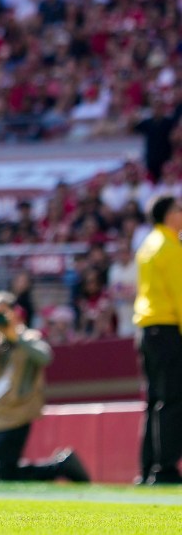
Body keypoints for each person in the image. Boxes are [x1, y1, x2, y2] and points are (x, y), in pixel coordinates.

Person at [0, 291, 88, 483]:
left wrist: (15, 335)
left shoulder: (27, 336)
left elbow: (45, 356)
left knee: (4, 474)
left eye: (3, 312)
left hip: (18, 412)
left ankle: (60, 467)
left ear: (14, 312)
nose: (0, 317)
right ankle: (61, 465)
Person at [137, 193, 182, 485]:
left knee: (155, 400)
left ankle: (148, 467)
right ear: (169, 215)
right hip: (166, 329)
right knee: (173, 400)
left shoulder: (147, 245)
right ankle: (164, 470)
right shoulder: (170, 246)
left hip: (146, 330)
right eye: (179, 209)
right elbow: (179, 294)